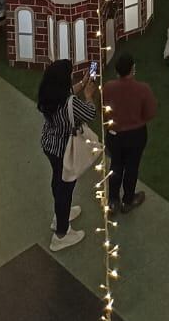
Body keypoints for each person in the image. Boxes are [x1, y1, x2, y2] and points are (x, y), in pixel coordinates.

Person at [37, 58, 97, 250]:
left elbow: (67, 94)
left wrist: (82, 83)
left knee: (58, 180)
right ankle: (61, 234)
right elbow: (90, 113)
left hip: (49, 145)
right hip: (65, 150)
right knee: (66, 187)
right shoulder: (69, 102)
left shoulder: (47, 94)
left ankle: (60, 215)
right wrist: (89, 95)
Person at [102, 53, 158, 213]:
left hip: (114, 135)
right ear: (133, 69)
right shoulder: (143, 89)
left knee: (115, 165)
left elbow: (103, 110)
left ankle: (113, 201)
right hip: (136, 136)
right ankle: (128, 200)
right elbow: (150, 113)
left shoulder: (108, 87)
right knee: (132, 167)